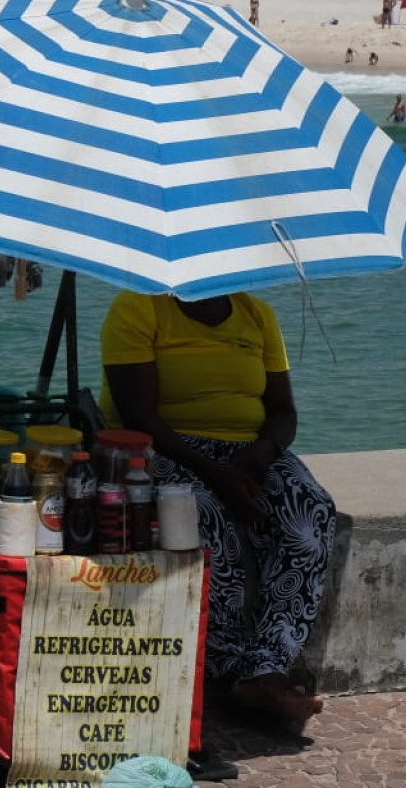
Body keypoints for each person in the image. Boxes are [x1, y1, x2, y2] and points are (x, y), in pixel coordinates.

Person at [99, 291, 336, 731]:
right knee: (203, 514)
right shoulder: (137, 308)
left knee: (310, 513)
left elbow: (283, 412)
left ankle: (267, 668)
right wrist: (218, 476)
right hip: (169, 449)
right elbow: (138, 416)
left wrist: (258, 457)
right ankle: (225, 673)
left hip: (249, 452)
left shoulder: (257, 315)